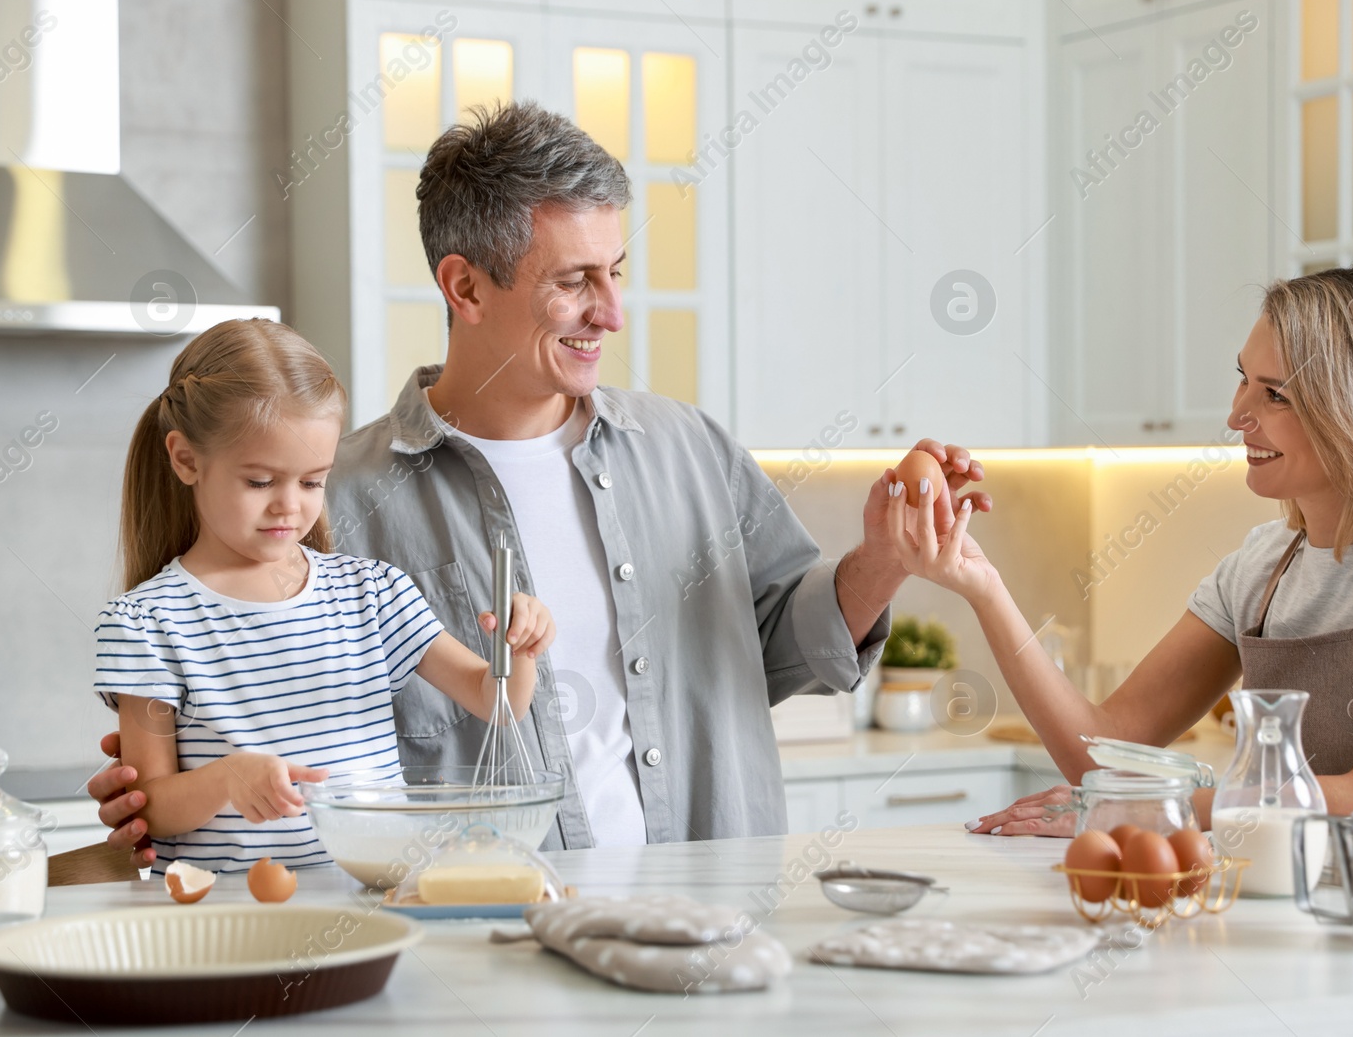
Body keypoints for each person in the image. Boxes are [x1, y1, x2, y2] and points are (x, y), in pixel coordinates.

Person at [89, 102, 988, 862]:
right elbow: (259, 713)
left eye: (618, 273)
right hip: (483, 950)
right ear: (465, 287)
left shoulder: (689, 449)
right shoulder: (339, 500)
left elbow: (787, 651)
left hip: (712, 922)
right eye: (575, 281)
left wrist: (883, 556)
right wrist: (169, 785)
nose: (613, 311)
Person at [888, 265, 1353, 835]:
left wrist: (1135, 812)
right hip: (1282, 912)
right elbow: (1105, 756)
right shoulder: (1262, 569)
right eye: (1243, 379)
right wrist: (983, 585)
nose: (1237, 413)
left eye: (1274, 395)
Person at [92, 319, 553, 872]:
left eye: (312, 482)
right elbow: (149, 810)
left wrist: (519, 649)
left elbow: (498, 703)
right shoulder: (145, 622)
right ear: (186, 460)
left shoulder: (372, 592)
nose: (290, 506)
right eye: (260, 482)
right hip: (223, 920)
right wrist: (226, 777)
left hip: (369, 903)